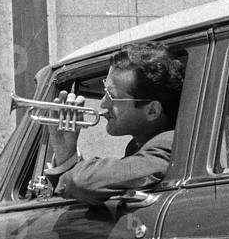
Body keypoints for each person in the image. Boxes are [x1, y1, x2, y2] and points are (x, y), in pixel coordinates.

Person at [43, 42, 186, 206]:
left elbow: (83, 182)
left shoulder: (169, 147)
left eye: (112, 96)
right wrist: (65, 151)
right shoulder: (140, 148)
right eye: (104, 91)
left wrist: (71, 165)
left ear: (152, 111)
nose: (103, 104)